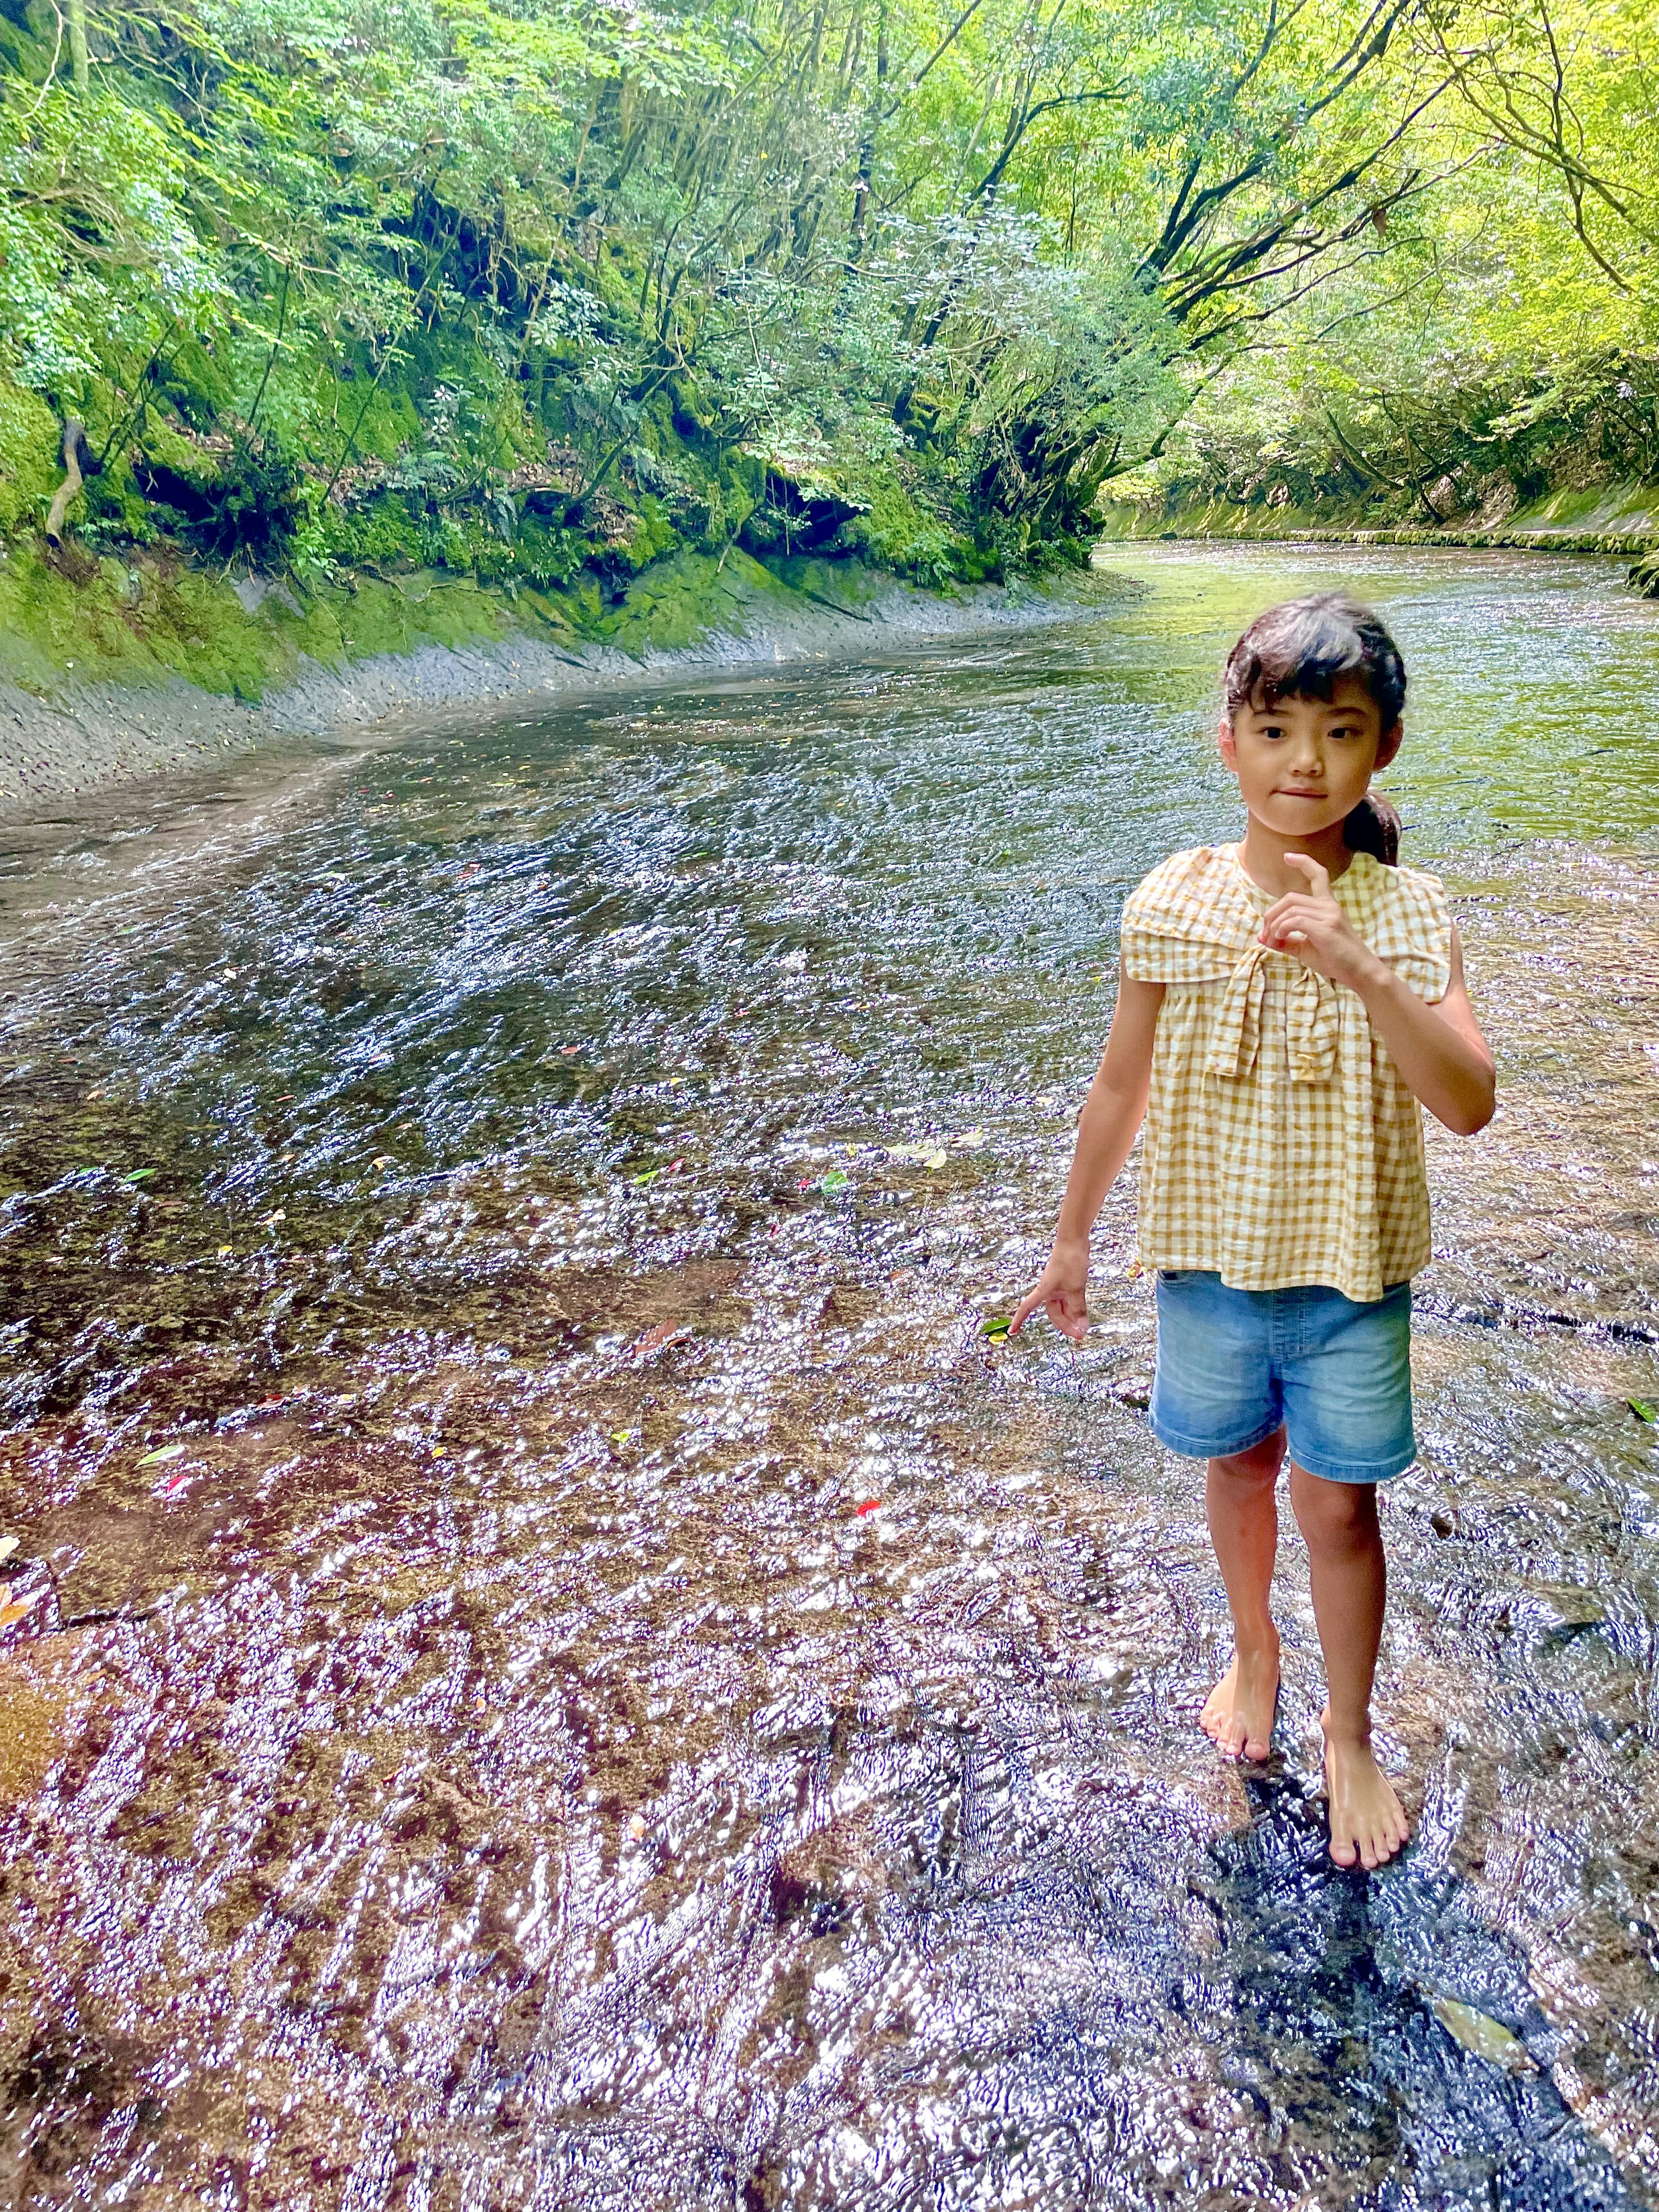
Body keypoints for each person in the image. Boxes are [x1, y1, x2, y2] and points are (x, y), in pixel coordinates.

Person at [1011, 594, 1495, 1871]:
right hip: (1210, 1265)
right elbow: (1120, 1085)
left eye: (1340, 732)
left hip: (1351, 1275)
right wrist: (1071, 1243)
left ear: (1383, 747)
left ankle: (1349, 1730)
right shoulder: (1169, 902)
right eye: (1274, 728)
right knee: (1236, 1469)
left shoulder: (1409, 912)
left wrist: (1362, 967)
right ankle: (1253, 1650)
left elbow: (1469, 1105)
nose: (1305, 763)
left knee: (1341, 1512)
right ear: (1226, 741)